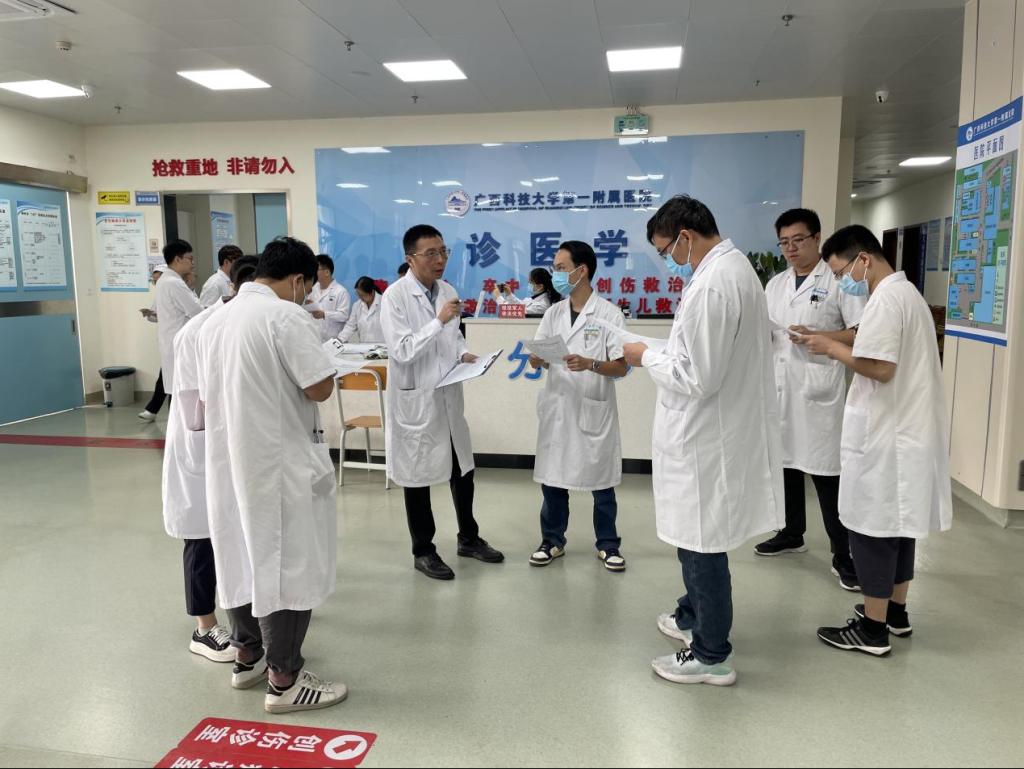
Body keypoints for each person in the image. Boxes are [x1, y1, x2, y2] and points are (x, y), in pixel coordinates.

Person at [623, 195, 783, 687]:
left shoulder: (714, 284)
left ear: (686, 237)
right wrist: (657, 349)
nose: (667, 261)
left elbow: (698, 376)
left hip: (706, 438)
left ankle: (712, 654)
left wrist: (642, 356)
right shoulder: (731, 270)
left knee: (701, 546)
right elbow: (700, 352)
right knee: (694, 538)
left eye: (666, 250)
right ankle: (691, 615)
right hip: (712, 431)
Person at [198, 237, 345, 713]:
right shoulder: (286, 317)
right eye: (308, 287)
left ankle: (248, 657)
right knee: (287, 564)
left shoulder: (214, 321)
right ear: (298, 280)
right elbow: (319, 388)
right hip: (276, 465)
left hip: (228, 462)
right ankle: (285, 680)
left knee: (238, 554)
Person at [806, 226, 952, 657]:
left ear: (864, 260)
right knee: (900, 529)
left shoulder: (886, 299)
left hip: (888, 437)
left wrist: (830, 348)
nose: (841, 281)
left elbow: (880, 368)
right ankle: (895, 613)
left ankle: (872, 629)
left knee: (872, 531)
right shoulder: (907, 294)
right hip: (904, 433)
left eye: (841, 272)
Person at [381, 224, 504, 581]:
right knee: (417, 477)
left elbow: (453, 339)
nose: (440, 260)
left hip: (448, 396)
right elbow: (402, 350)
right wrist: (438, 321)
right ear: (410, 259)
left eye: (443, 252)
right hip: (417, 401)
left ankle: (468, 538)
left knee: (462, 470)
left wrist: (465, 355)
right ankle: (423, 550)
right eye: (431, 253)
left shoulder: (447, 291)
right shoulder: (395, 297)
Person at [756, 208, 865, 592]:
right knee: (784, 464)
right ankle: (791, 533)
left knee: (825, 473)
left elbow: (861, 330)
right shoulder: (775, 284)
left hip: (818, 390)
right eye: (784, 242)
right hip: (781, 388)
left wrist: (820, 336)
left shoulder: (838, 280)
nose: (790, 248)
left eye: (798, 240)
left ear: (816, 238)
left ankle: (843, 554)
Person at [162, 256, 259, 664]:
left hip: (235, 448)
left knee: (239, 535)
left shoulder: (244, 323)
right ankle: (203, 628)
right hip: (201, 451)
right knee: (201, 538)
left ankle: (250, 612)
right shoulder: (198, 332)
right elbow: (195, 409)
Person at [527, 241, 628, 572]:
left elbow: (621, 367)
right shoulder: (553, 313)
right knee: (553, 480)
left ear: (581, 271)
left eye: (560, 268)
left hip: (591, 408)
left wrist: (590, 364)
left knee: (601, 482)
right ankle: (552, 540)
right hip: (559, 407)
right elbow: (542, 358)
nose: (555, 274)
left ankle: (608, 544)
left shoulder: (609, 314)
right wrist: (538, 359)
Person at [150, 240, 202, 421]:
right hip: (179, 344)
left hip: (171, 342)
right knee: (180, 392)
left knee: (176, 390)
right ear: (178, 259)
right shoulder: (174, 282)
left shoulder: (165, 280)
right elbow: (197, 311)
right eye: (190, 258)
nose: (192, 263)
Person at [139, 266, 168, 421]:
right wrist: (150, 314)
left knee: (166, 377)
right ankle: (152, 410)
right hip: (167, 341)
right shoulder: (159, 295)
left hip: (178, 341)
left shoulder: (178, 290)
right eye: (154, 281)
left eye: (158, 280)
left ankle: (153, 410)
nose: (157, 284)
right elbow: (153, 317)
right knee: (165, 377)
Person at [306, 254, 351, 341]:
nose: (313, 272)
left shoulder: (341, 291)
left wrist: (324, 314)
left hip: (334, 340)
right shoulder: (312, 289)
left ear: (327, 272)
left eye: (316, 269)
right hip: (315, 339)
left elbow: (344, 316)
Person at [337, 276, 385, 344]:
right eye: (358, 295)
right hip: (363, 346)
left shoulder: (385, 303)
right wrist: (340, 339)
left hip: (383, 346)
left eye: (363, 295)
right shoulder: (357, 305)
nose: (360, 298)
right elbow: (350, 326)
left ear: (372, 292)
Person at [494, 268, 560, 316]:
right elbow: (519, 305)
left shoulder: (541, 306)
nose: (528, 284)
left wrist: (498, 297)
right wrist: (509, 294)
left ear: (540, 286)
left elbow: (512, 311)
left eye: (530, 282)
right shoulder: (534, 300)